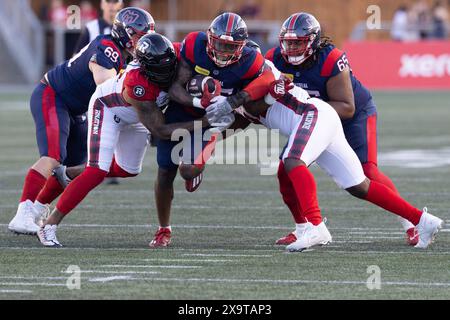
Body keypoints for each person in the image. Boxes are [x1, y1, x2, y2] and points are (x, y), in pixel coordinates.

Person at [37, 33, 220, 247]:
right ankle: (48, 226)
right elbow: (160, 129)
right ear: (146, 68)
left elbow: (178, 82)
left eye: (170, 66)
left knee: (128, 169)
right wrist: (205, 122)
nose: (167, 73)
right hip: (109, 109)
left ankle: (68, 173)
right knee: (96, 172)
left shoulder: (177, 54)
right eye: (160, 70)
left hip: (139, 116)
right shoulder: (137, 84)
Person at [240, 72, 443, 251]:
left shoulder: (260, 70)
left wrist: (233, 102)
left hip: (313, 115)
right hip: (320, 119)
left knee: (293, 161)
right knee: (359, 186)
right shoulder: (234, 87)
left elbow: (257, 96)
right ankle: (423, 220)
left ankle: (316, 227)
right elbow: (235, 118)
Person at [265, 12, 420, 246]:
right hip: (311, 118)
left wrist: (310, 113)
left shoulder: (331, 58)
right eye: (289, 42)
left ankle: (411, 222)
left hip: (353, 114)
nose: (292, 48)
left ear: (313, 42)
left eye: (298, 42)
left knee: (368, 172)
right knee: (287, 169)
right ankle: (304, 227)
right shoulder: (273, 59)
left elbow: (347, 107)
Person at [8, 7, 155, 236]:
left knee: (69, 168)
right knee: (53, 156)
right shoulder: (108, 50)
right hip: (54, 95)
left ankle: (36, 210)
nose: (142, 41)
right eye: (138, 35)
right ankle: (22, 214)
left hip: (77, 109)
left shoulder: (123, 52)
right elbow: (107, 89)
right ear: (124, 33)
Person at [150, 12, 275, 247]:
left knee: (187, 170)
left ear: (241, 47)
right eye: (218, 43)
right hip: (182, 111)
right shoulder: (195, 45)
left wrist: (232, 102)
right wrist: (198, 102)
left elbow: (264, 85)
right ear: (209, 38)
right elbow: (175, 85)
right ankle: (163, 229)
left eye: (229, 47)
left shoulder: (251, 61)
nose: (221, 51)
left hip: (215, 119)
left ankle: (205, 152)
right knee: (165, 171)